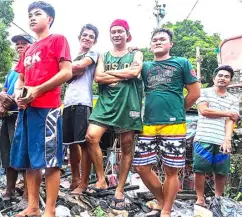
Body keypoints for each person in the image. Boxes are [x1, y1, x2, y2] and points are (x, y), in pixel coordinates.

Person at [10, 1, 72, 216]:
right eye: (30, 15)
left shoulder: (58, 40)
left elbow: (66, 72)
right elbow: (20, 79)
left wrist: (37, 90)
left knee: (51, 161)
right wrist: (19, 93)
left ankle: (51, 210)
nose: (32, 18)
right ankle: (33, 207)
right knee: (29, 161)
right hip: (27, 110)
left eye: (38, 14)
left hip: (48, 110)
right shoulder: (27, 49)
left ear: (50, 19)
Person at [133, 28, 200, 217]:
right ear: (150, 45)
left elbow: (195, 93)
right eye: (154, 40)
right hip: (148, 123)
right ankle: (162, 200)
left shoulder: (182, 63)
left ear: (171, 44)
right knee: (141, 167)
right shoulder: (145, 66)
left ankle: (166, 211)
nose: (158, 42)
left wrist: (178, 111)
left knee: (171, 170)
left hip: (174, 124)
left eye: (162, 39)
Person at [79, 19, 144, 210]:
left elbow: (135, 72)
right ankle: (101, 179)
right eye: (113, 31)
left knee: (126, 146)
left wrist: (117, 74)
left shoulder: (136, 52)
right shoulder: (103, 55)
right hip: (106, 104)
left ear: (127, 34)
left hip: (128, 103)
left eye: (120, 31)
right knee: (91, 137)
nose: (116, 34)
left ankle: (120, 188)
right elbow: (98, 77)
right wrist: (127, 72)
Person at [0, 32, 33, 203]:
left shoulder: (33, 66)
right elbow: (5, 89)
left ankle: (27, 191)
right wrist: (2, 96)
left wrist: (5, 104)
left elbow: (28, 89)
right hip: (9, 117)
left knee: (25, 153)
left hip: (25, 115)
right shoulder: (12, 71)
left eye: (24, 43)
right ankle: (9, 188)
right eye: (17, 44)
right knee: (7, 152)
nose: (19, 46)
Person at [193, 65, 239, 207]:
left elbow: (231, 121)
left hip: (221, 140)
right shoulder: (204, 92)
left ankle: (218, 199)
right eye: (220, 75)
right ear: (214, 78)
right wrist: (228, 113)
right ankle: (200, 199)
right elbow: (204, 110)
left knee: (221, 171)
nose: (222, 78)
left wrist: (227, 140)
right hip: (203, 137)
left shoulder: (233, 99)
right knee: (200, 170)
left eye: (226, 76)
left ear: (230, 81)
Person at [63, 24, 99, 192]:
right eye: (84, 35)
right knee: (70, 144)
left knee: (83, 144)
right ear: (79, 37)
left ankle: (84, 182)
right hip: (68, 102)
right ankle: (74, 178)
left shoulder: (93, 54)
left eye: (91, 36)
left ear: (94, 41)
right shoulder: (72, 56)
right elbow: (70, 73)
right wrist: (65, 71)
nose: (87, 38)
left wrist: (62, 70)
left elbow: (77, 68)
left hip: (83, 102)